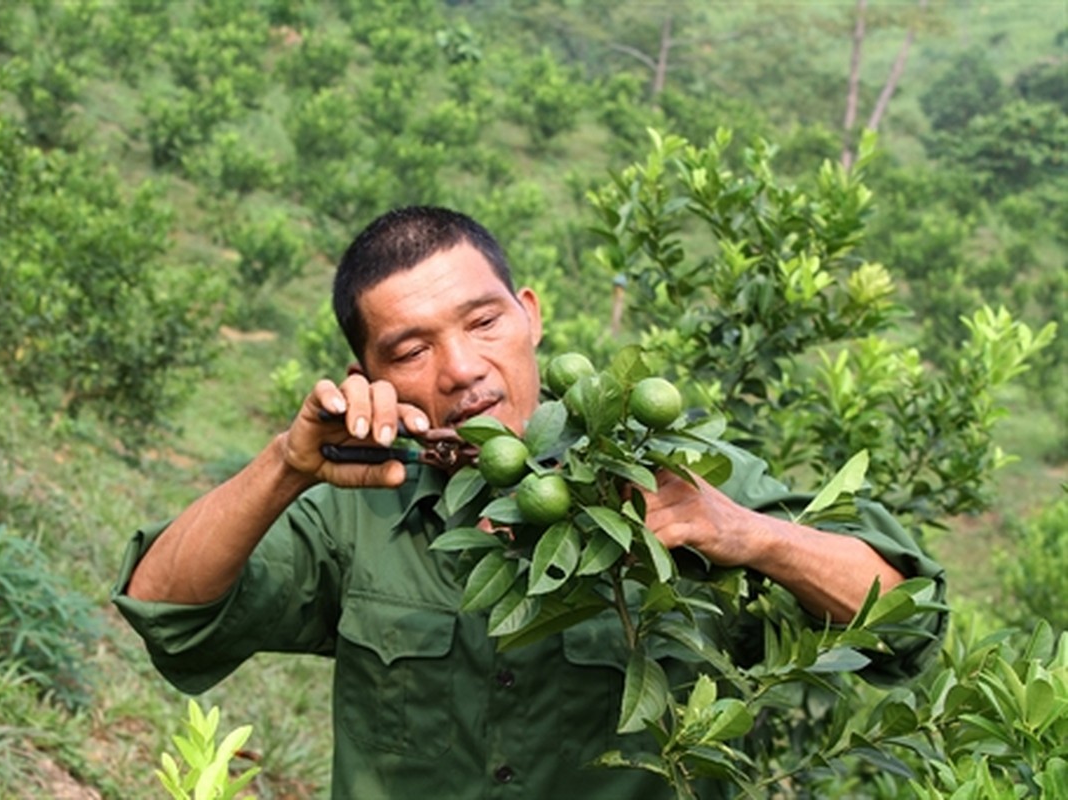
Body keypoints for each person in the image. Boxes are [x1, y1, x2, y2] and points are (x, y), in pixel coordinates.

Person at [112, 206, 946, 798]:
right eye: (411, 348)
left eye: (481, 323)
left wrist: (744, 535)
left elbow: (906, 625)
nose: (461, 369)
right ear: (369, 378)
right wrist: (285, 466)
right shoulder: (355, 506)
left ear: (529, 316)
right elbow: (166, 614)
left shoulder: (675, 473)